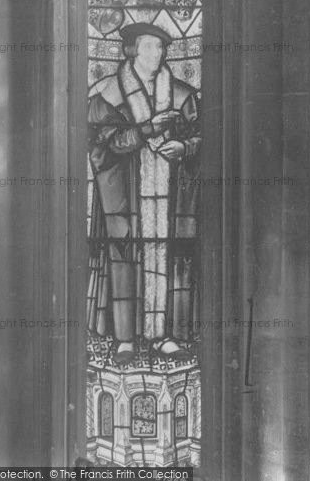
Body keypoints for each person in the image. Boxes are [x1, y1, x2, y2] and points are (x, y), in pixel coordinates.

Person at [87, 23, 201, 364]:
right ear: (133, 51)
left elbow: (202, 136)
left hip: (170, 194)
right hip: (127, 193)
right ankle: (125, 339)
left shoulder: (181, 94)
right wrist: (148, 129)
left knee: (170, 253)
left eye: (161, 48)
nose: (158, 54)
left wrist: (183, 146)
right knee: (125, 250)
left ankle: (165, 335)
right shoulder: (108, 94)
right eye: (150, 47)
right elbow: (101, 145)